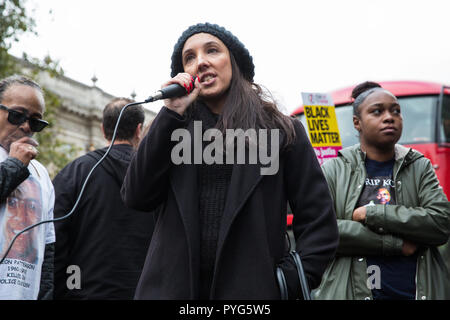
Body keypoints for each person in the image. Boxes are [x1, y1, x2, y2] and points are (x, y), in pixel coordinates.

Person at [121, 22, 339, 299]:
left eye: (212, 51)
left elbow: (319, 221)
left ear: (234, 63)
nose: (200, 62)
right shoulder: (169, 129)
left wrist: (287, 281)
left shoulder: (281, 131)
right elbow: (136, 196)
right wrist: (170, 114)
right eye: (190, 58)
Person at [314, 81, 450, 300]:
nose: (389, 117)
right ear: (357, 123)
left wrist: (374, 214)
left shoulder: (419, 166)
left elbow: (441, 223)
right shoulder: (334, 169)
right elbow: (322, 232)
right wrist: (395, 244)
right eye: (377, 112)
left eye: (396, 111)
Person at [53, 97, 156, 299]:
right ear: (139, 130)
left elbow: (54, 237)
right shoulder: (155, 176)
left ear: (103, 129)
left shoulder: (74, 172)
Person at [0, 75, 55, 300]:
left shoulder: (41, 173)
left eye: (35, 122)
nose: (25, 127)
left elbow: (48, 247)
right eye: (16, 115)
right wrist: (14, 165)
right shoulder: (19, 163)